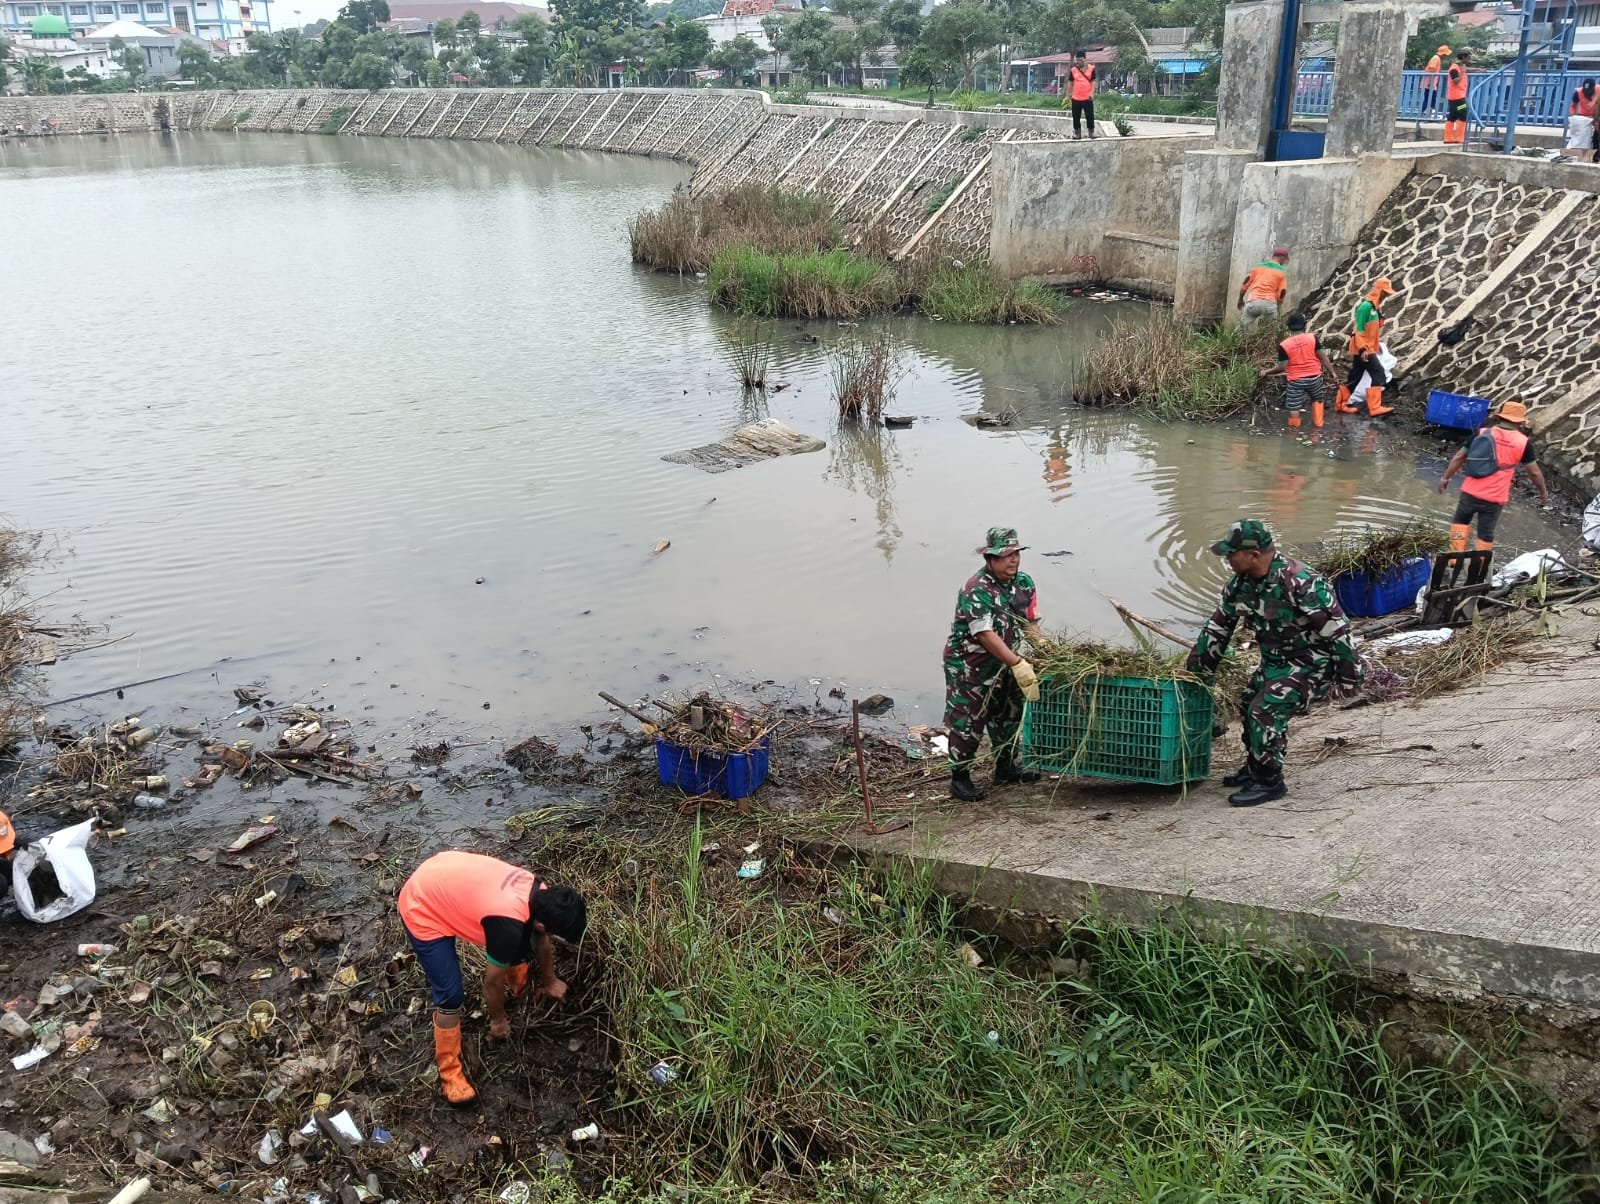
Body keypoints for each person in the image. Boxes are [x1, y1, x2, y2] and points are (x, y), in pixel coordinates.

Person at [1186, 520, 1362, 807]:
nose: (1227, 559)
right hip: (1276, 663)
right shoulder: (1240, 585)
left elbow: (1338, 631)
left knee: (1264, 710)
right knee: (1247, 702)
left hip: (1314, 663)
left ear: (1253, 554)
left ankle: (1270, 781)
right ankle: (1255, 767)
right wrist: (1195, 672)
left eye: (1232, 553)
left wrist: (1350, 677)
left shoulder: (1300, 581)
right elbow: (1217, 629)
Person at [398, 851, 588, 1105]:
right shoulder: (506, 925)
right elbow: (492, 983)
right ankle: (449, 1072)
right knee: (451, 995)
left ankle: (520, 987)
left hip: (443, 871)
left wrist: (550, 981)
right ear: (545, 923)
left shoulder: (541, 891)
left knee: (524, 941)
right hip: (422, 903)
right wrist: (498, 1020)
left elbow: (541, 938)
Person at [943, 527, 1042, 802]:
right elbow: (984, 634)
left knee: (1009, 714)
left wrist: (1045, 652)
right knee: (968, 721)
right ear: (991, 558)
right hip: (970, 665)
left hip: (1006, 662)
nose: (1014, 560)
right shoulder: (976, 589)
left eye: (1017, 554)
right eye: (1007, 555)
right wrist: (1018, 662)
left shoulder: (1024, 583)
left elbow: (1030, 622)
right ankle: (960, 779)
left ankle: (1006, 768)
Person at [1437, 399, 1549, 554]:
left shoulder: (1481, 432)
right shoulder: (1523, 443)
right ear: (1521, 423)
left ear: (1499, 417)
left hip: (1470, 492)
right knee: (1485, 533)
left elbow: (1459, 457)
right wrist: (1543, 492)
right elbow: (1534, 472)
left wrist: (1445, 478)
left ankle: (1453, 559)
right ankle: (1479, 568)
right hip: (1495, 498)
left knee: (1460, 523)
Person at [1338, 277, 1399, 417]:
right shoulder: (1366, 307)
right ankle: (1374, 407)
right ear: (1379, 291)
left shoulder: (1375, 308)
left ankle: (1341, 404)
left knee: (1355, 376)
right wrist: (1364, 349)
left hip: (1367, 348)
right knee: (1378, 373)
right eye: (1385, 293)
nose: (1386, 296)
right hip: (1364, 348)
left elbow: (1372, 330)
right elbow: (1358, 330)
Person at [1270, 311, 1335, 430]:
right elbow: (1323, 357)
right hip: (1315, 377)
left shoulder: (1284, 345)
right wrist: (1332, 372)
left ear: (1288, 326)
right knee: (1317, 399)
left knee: (1294, 406)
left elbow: (1282, 367)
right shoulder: (1312, 338)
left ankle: (1294, 431)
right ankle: (1318, 426)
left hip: (1296, 381)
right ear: (1304, 325)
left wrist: (1266, 372)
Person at [1236, 246, 1290, 329]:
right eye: (1285, 259)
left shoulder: (1257, 267)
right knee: (1272, 331)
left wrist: (1240, 299)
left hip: (1253, 302)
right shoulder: (1282, 272)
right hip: (1269, 304)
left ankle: (1234, 340)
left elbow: (1245, 285)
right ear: (1282, 258)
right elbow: (1281, 293)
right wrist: (1278, 306)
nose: (1284, 262)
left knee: (1241, 328)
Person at [1563, 79, 1598, 163]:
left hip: (1596, 115)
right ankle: (1583, 155)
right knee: (1581, 137)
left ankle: (1596, 155)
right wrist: (1574, 115)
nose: (1587, 93)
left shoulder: (1598, 91)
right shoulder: (1578, 93)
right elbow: (1573, 106)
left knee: (1596, 137)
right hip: (1584, 117)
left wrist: (1596, 119)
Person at [1064, 50, 1096, 140]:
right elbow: (1070, 83)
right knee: (1076, 116)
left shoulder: (1091, 68)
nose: (1079, 62)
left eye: (1081, 60)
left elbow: (1093, 82)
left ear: (1085, 59)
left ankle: (1091, 132)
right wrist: (1067, 96)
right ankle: (1077, 133)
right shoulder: (1073, 70)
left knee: (1090, 115)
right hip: (1076, 97)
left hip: (1087, 97)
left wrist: (1092, 93)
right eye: (1077, 60)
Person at [1444, 49, 1471, 145]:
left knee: (1453, 115)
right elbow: (1456, 80)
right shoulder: (1454, 68)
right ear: (1463, 57)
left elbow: (1466, 69)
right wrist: (1463, 72)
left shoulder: (1460, 66)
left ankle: (1448, 137)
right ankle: (1459, 137)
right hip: (1457, 96)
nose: (1468, 60)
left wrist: (1479, 69)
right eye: (1468, 58)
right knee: (1463, 111)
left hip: (1455, 96)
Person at [1421, 44, 1450, 117]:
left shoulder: (1437, 58)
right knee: (1430, 99)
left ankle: (1427, 114)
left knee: (1430, 99)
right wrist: (1430, 82)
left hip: (1430, 83)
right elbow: (1431, 69)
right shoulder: (1436, 58)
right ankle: (1428, 114)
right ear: (1443, 54)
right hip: (1429, 83)